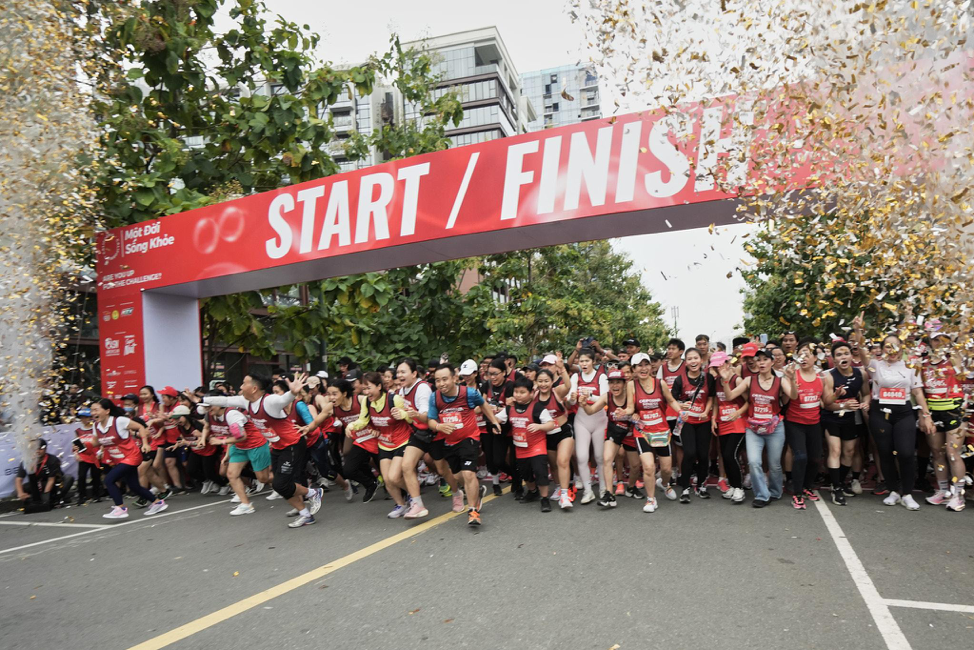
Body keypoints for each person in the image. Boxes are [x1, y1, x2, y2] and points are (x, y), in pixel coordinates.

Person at [203, 372, 324, 528]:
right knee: (267, 480)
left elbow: (282, 399)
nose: (240, 387)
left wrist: (293, 392)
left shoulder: (269, 401)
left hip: (293, 444)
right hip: (278, 446)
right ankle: (306, 512)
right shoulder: (246, 402)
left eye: (244, 383)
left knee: (280, 484)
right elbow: (225, 400)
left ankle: (311, 494)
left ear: (254, 388)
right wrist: (203, 400)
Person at [718, 348, 798, 508]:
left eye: (765, 359)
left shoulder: (780, 381)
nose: (761, 363)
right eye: (759, 360)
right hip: (753, 428)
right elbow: (730, 396)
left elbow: (794, 397)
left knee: (774, 464)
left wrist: (792, 380)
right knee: (754, 462)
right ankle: (762, 495)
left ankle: (775, 491)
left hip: (774, 428)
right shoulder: (749, 381)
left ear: (772, 362)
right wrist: (726, 381)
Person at [427, 362, 501, 526]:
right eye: (438, 380)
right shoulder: (435, 397)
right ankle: (478, 490)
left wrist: (494, 421)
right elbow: (431, 420)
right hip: (449, 441)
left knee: (468, 474)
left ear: (454, 378)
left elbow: (483, 404)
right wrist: (439, 426)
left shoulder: (468, 393)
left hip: (469, 438)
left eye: (445, 379)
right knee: (457, 476)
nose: (441, 384)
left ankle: (473, 511)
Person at [866, 334, 934, 511]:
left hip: (903, 411)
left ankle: (907, 493)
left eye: (896, 346)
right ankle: (893, 490)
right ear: (882, 349)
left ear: (902, 348)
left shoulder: (911, 365)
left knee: (905, 452)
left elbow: (918, 392)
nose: (892, 350)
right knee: (886, 452)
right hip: (880, 411)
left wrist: (926, 415)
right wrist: (859, 330)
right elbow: (862, 351)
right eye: (888, 346)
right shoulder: (875, 364)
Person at [398, 358, 462, 519]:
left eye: (403, 372)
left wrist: (414, 414)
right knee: (406, 465)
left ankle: (457, 493)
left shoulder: (422, 389)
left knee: (442, 470)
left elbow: (427, 417)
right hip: (418, 434)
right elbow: (409, 416)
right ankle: (418, 504)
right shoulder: (402, 391)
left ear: (413, 373)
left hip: (434, 433)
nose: (399, 375)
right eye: (398, 372)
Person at [347, 372, 413, 518]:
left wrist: (404, 415)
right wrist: (351, 425)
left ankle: (414, 496)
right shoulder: (366, 401)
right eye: (364, 389)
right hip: (384, 443)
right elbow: (363, 421)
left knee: (394, 477)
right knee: (387, 479)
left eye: (369, 388)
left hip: (402, 441)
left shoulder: (394, 399)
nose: (366, 392)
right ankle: (401, 504)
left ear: (378, 386)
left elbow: (412, 419)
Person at [89, 398, 168, 519]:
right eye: (91, 410)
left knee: (109, 480)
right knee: (134, 486)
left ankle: (120, 508)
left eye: (96, 409)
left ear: (107, 411)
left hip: (132, 456)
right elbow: (95, 443)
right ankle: (157, 503)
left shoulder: (119, 421)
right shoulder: (96, 426)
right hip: (120, 459)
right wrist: (81, 446)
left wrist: (145, 443)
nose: (93, 413)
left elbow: (141, 427)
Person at [199, 391, 269, 515]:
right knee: (231, 474)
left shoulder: (231, 414)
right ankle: (246, 505)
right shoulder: (211, 415)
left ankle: (288, 482)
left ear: (220, 404)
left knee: (263, 478)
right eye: (205, 406)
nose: (207, 408)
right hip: (239, 447)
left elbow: (241, 435)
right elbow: (231, 435)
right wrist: (227, 454)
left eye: (209, 405)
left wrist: (221, 441)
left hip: (255, 444)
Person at [627, 352, 681, 513]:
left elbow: (671, 400)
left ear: (651, 366)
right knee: (649, 467)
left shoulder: (660, 383)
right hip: (642, 431)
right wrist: (626, 412)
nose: (643, 368)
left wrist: (681, 412)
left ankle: (664, 484)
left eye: (646, 364)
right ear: (634, 369)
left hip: (662, 431)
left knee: (666, 470)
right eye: (639, 365)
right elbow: (631, 407)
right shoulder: (631, 385)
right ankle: (651, 499)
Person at [498, 376, 559, 512]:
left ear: (531, 393)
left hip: (537, 446)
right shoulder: (510, 409)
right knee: (525, 473)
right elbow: (497, 419)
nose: (518, 395)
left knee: (540, 471)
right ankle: (532, 491)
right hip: (520, 448)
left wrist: (539, 427)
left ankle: (544, 499)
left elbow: (550, 424)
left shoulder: (538, 408)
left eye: (522, 392)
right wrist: (494, 423)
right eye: (516, 392)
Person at [820, 340, 870, 505]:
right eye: (839, 354)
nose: (843, 357)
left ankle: (839, 484)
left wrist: (865, 403)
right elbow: (827, 402)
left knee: (849, 452)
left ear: (851, 355)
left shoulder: (861, 373)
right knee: (835, 450)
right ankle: (836, 487)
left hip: (851, 416)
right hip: (832, 416)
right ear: (834, 359)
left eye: (845, 353)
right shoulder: (828, 376)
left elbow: (866, 393)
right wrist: (840, 401)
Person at [920, 333, 967, 511]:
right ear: (930, 342)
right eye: (936, 339)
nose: (939, 342)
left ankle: (958, 495)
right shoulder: (923, 364)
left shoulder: (953, 358)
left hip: (954, 412)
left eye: (944, 338)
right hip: (933, 412)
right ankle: (943, 491)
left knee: (952, 453)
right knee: (937, 453)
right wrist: (924, 415)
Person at [782, 340, 825, 510]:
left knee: (816, 459)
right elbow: (792, 396)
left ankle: (807, 487)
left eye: (808, 354)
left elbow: (826, 400)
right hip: (795, 423)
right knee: (800, 457)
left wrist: (836, 397)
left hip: (814, 423)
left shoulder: (822, 376)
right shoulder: (789, 374)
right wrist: (792, 380)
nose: (804, 357)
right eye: (801, 354)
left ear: (815, 358)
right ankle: (797, 494)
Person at [670, 348, 716, 502]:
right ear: (686, 362)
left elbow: (710, 398)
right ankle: (685, 487)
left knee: (703, 455)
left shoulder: (708, 378)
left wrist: (707, 411)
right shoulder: (679, 380)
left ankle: (701, 485)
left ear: (701, 360)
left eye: (695, 358)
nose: (693, 361)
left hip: (703, 421)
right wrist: (681, 405)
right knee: (689, 453)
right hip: (687, 422)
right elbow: (672, 400)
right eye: (689, 359)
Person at [569, 347, 610, 504]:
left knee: (600, 457)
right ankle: (587, 491)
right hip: (581, 419)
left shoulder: (601, 377)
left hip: (599, 420)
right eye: (581, 361)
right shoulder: (575, 377)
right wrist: (572, 398)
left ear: (594, 361)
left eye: (587, 361)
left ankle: (603, 488)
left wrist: (589, 395)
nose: (584, 364)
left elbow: (605, 398)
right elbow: (571, 400)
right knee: (582, 457)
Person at [585, 368, 630, 508]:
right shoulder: (606, 396)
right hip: (614, 431)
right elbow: (591, 411)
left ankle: (632, 486)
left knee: (635, 466)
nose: (614, 386)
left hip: (631, 432)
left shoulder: (631, 395)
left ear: (624, 384)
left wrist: (633, 415)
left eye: (618, 382)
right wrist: (583, 404)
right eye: (611, 383)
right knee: (607, 459)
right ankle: (609, 494)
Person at [330, 378, 380, 504]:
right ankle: (370, 483)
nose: (331, 397)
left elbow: (381, 407)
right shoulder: (332, 407)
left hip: (375, 437)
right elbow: (316, 419)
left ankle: (403, 495)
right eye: (329, 394)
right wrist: (308, 427)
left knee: (387, 472)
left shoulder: (361, 400)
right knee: (348, 467)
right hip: (359, 439)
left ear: (344, 393)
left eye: (334, 394)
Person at [709, 351, 747, 504]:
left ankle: (739, 488)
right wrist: (713, 418)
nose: (718, 369)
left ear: (727, 363)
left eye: (720, 365)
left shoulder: (737, 380)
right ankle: (732, 485)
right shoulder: (717, 380)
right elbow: (718, 402)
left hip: (738, 424)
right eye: (715, 366)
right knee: (724, 456)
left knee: (731, 454)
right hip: (722, 422)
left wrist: (738, 412)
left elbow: (748, 401)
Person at [537, 368, 574, 509]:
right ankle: (559, 487)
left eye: (546, 381)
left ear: (552, 381)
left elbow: (568, 385)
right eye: (540, 381)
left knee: (562, 461)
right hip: (547, 435)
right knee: (553, 465)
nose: (543, 384)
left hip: (563, 431)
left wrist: (562, 369)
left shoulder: (556, 392)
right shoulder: (534, 396)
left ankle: (565, 495)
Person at [15, 439, 69, 512]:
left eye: (41, 449)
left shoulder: (52, 460)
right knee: (21, 488)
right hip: (37, 485)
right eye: (35, 449)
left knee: (68, 478)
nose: (38, 451)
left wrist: (45, 497)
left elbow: (51, 480)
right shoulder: (27, 461)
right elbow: (18, 479)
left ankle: (57, 498)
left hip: (52, 484)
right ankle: (32, 501)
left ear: (45, 449)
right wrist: (20, 493)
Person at [73, 407, 104, 505]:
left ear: (90, 418)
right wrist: (76, 454)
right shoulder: (78, 430)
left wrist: (100, 451)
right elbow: (75, 444)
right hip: (84, 457)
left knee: (96, 476)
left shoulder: (96, 428)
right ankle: (81, 497)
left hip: (95, 456)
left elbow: (102, 441)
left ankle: (97, 495)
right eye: (81, 417)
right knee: (81, 476)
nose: (83, 420)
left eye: (85, 417)